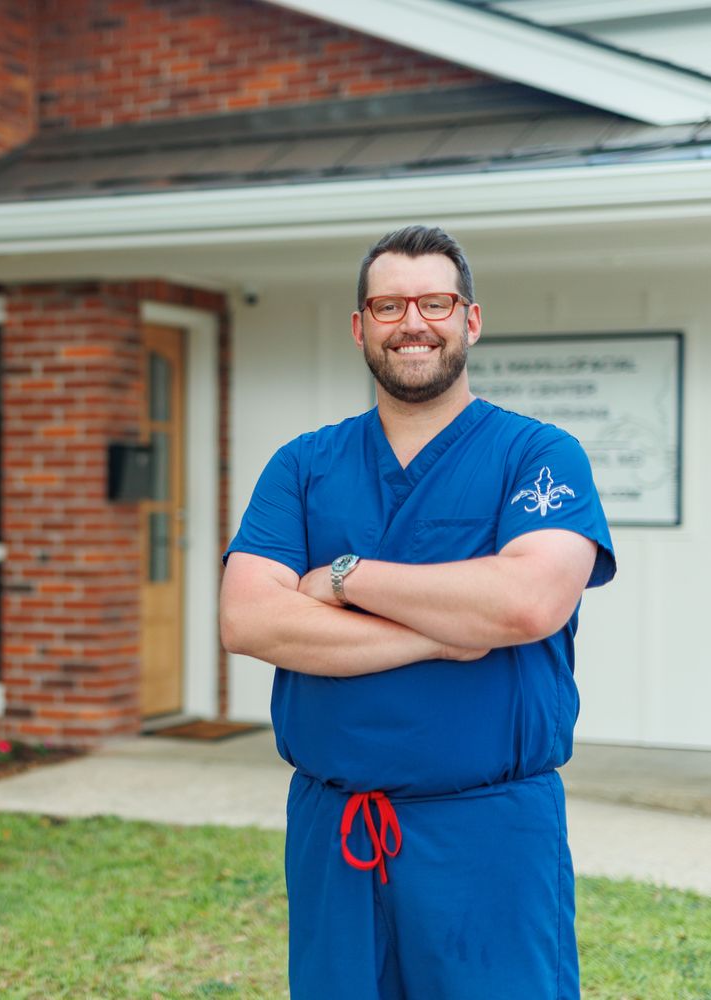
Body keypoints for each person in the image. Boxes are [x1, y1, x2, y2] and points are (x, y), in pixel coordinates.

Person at [219, 225, 615, 1000]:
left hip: (489, 834)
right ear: (360, 326)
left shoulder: (537, 456)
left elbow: (526, 602)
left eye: (434, 302)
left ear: (469, 319)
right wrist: (439, 636)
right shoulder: (304, 465)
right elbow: (250, 622)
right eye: (388, 305)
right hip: (335, 834)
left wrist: (345, 576)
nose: (412, 323)